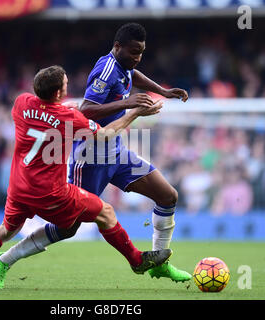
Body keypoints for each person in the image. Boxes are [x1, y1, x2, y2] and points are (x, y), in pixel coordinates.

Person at [0, 65, 171, 289]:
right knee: (106, 213)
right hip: (51, 193)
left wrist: (60, 108)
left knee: (5, 230)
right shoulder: (67, 117)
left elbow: (44, 115)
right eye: (65, 84)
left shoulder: (21, 103)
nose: (68, 86)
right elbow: (104, 134)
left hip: (18, 188)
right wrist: (134, 113)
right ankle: (136, 260)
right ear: (57, 93)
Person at [67, 22, 191, 282]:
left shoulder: (124, 66)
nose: (137, 57)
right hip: (90, 156)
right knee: (68, 226)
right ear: (117, 46)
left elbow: (132, 76)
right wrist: (128, 102)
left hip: (116, 152)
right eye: (133, 51)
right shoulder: (106, 70)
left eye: (141, 52)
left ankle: (159, 261)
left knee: (168, 196)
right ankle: (5, 259)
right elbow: (85, 110)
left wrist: (162, 91)